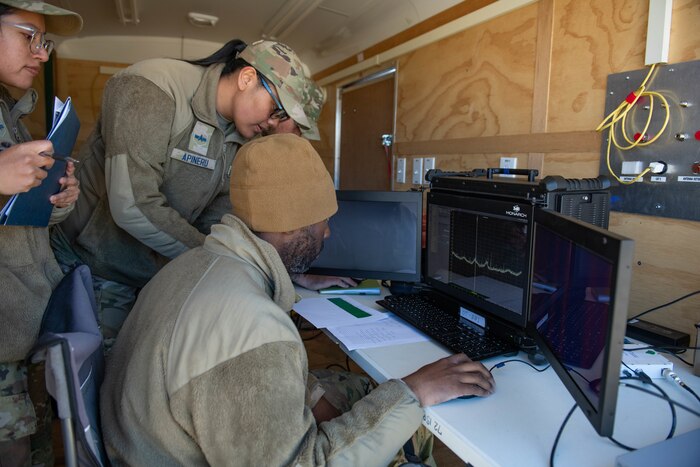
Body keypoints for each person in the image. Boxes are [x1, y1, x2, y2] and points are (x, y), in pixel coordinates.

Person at [100, 133, 495, 465]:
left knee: (352, 388)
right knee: (403, 421)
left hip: (152, 441)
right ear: (292, 226)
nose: (326, 234)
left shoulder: (195, 264)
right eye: (323, 220)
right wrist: (415, 392)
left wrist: (314, 397)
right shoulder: (254, 327)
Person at [51, 39, 353, 347]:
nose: (272, 124)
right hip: (97, 265)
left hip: (158, 271)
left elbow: (222, 220)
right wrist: (218, 259)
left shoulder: (242, 133)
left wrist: (287, 272)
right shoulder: (151, 87)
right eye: (276, 110)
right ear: (247, 78)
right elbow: (132, 204)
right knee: (102, 378)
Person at [0, 1, 82, 465]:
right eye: (28, 35)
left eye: (44, 41)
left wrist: (53, 200)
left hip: (19, 318)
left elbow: (14, 219)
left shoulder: (12, 112)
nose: (42, 53)